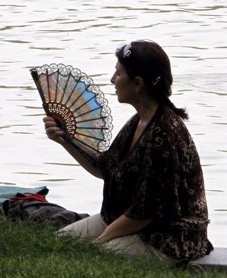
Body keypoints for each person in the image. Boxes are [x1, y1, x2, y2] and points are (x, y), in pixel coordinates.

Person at [43, 40, 212, 262]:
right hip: (129, 219)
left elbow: (146, 213)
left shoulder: (164, 134)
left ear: (138, 83)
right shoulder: (138, 121)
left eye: (118, 74)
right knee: (60, 242)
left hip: (169, 236)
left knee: (96, 256)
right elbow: (103, 168)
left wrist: (100, 241)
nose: (112, 80)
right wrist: (65, 140)